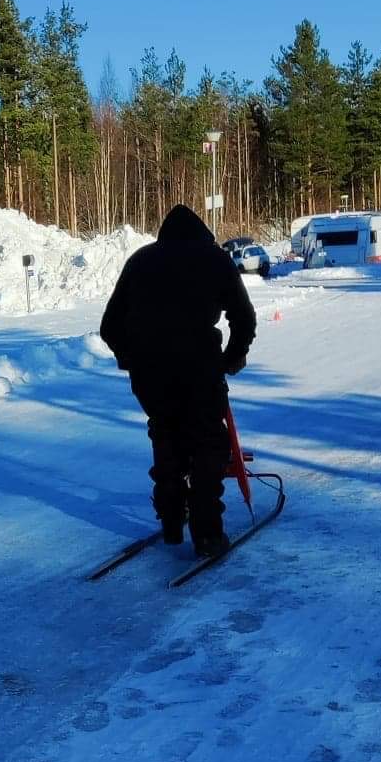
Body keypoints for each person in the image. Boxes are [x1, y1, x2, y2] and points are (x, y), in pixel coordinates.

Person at [99, 204, 257, 557]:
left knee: (166, 436)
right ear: (202, 232)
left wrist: (131, 358)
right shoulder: (214, 259)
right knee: (207, 445)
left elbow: (109, 326)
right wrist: (231, 359)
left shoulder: (140, 261)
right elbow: (244, 318)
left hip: (150, 373)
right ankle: (208, 534)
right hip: (199, 367)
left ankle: (172, 521)